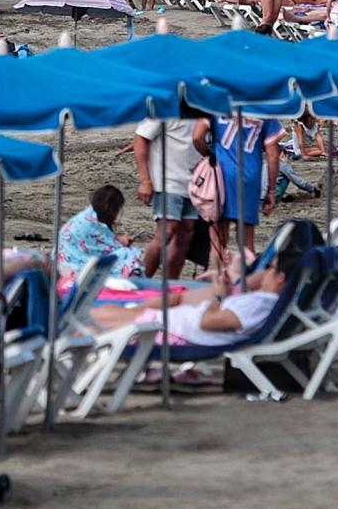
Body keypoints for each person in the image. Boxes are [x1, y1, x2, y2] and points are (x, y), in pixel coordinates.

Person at [86, 255, 294, 347]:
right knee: (104, 313)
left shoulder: (261, 304)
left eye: (269, 268)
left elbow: (207, 323)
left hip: (173, 333)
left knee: (98, 318)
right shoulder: (263, 302)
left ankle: (59, 353)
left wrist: (220, 295)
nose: (264, 272)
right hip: (174, 324)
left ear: (280, 277)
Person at [206, 112, 281, 274]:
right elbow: (273, 152)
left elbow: (198, 135)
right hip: (249, 174)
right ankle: (247, 285)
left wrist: (207, 156)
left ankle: (219, 283)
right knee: (247, 243)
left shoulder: (216, 102)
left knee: (218, 240)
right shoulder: (263, 106)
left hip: (221, 172)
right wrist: (271, 190)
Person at [134, 114, 200, 279]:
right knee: (166, 231)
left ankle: (171, 284)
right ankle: (142, 280)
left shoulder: (204, 109)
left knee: (186, 234)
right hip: (167, 180)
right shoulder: (164, 110)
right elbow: (141, 138)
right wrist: (145, 181)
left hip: (194, 183)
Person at [57, 184, 146, 279]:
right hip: (76, 269)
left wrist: (117, 240)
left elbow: (98, 242)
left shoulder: (86, 217)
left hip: (63, 263)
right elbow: (107, 248)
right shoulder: (91, 223)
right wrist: (120, 243)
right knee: (128, 256)